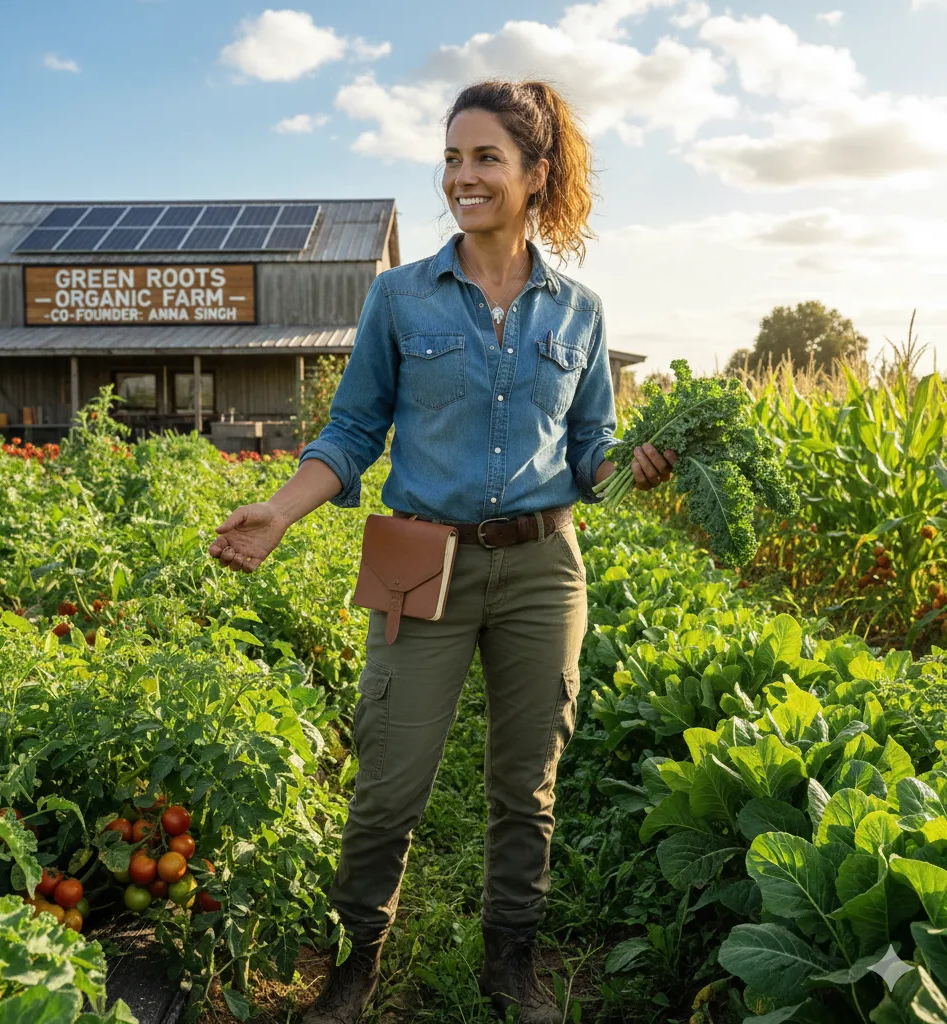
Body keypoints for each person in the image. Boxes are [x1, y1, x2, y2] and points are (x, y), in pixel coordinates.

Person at [208, 79, 677, 1024]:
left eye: (486, 158)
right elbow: (350, 433)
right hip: (417, 558)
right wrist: (281, 509)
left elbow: (590, 455)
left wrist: (635, 465)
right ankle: (353, 962)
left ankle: (512, 962)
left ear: (536, 174)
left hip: (544, 567)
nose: (462, 177)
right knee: (389, 776)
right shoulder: (399, 297)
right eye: (453, 157)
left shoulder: (577, 311)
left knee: (527, 781)